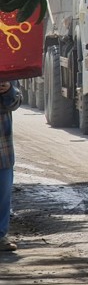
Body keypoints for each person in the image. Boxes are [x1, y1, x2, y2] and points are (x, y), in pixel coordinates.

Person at [0, 79, 22, 252]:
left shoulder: (7, 67)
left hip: (2, 150)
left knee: (3, 192)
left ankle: (0, 235)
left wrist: (8, 90)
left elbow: (15, 102)